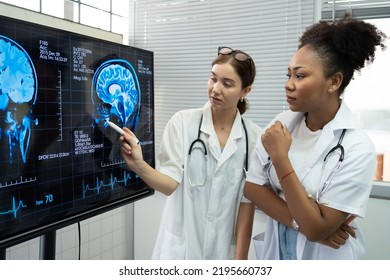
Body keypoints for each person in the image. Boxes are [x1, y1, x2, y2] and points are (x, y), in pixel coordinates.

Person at [244, 13, 387, 259]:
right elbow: (252, 188)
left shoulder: (357, 147)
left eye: (300, 76)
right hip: (278, 251)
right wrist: (305, 222)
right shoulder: (281, 124)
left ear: (334, 82)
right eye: (288, 74)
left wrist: (280, 159)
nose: (288, 84)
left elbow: (315, 228)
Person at [120, 46, 261, 259]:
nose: (215, 89)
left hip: (222, 253)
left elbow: (246, 205)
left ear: (245, 91)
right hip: (180, 251)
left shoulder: (253, 137)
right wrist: (139, 164)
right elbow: (169, 185)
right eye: (213, 79)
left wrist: (240, 263)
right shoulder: (183, 122)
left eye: (227, 83)